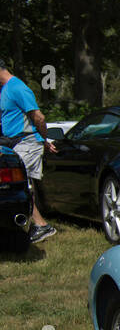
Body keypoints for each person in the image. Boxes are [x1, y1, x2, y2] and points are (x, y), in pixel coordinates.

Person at [0, 58, 57, 242]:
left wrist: (43, 140)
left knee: (21, 185)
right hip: (15, 142)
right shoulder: (5, 89)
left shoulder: (17, 88)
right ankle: (38, 225)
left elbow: (38, 117)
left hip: (27, 141)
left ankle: (41, 226)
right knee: (22, 185)